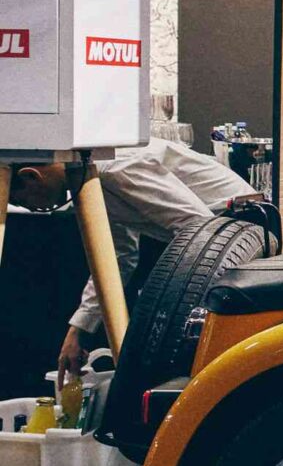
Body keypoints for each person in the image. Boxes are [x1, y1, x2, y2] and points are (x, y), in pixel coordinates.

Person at [9, 140, 258, 386]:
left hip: (243, 232)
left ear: (31, 176)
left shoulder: (115, 167)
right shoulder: (88, 175)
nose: (32, 208)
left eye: (23, 202)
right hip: (223, 242)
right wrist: (79, 329)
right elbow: (120, 257)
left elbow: (201, 229)